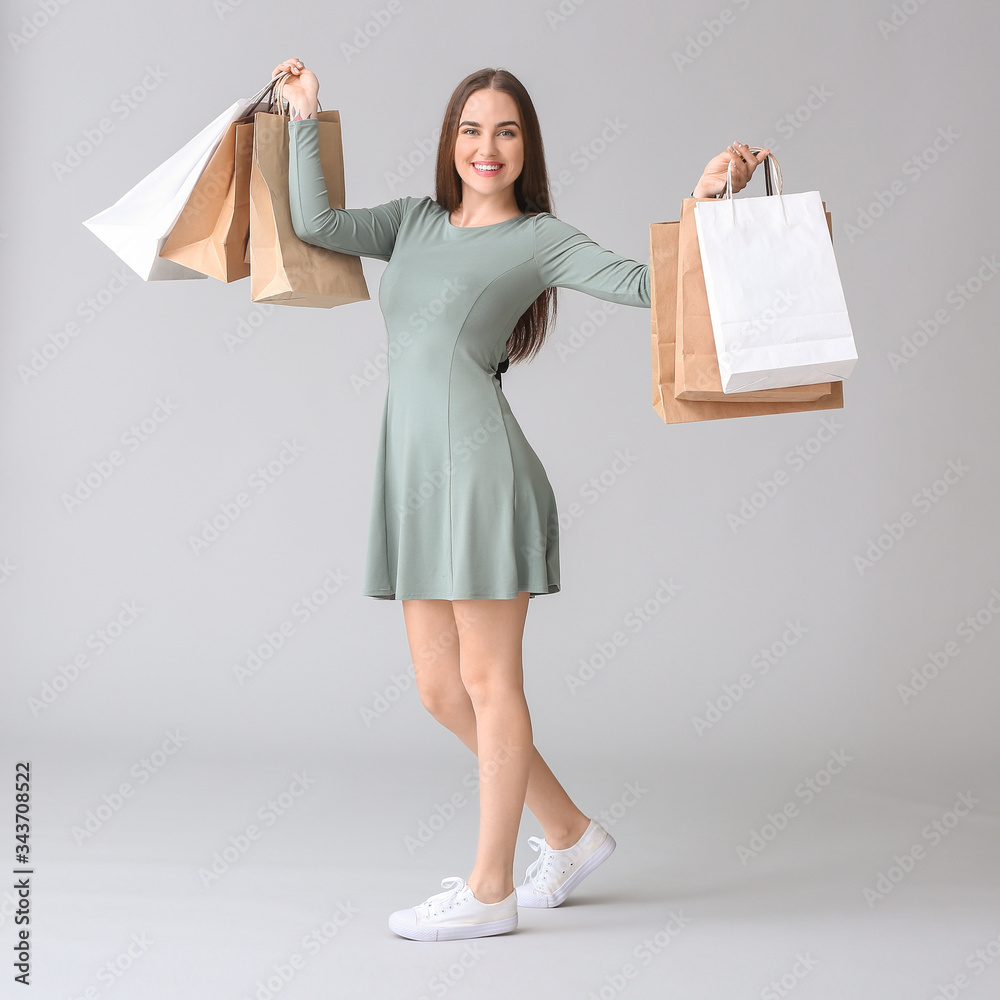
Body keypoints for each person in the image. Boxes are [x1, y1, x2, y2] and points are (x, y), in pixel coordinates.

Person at [271, 56, 768, 942]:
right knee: (438, 689)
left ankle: (490, 888)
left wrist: (708, 199)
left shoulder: (539, 238)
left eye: (505, 131)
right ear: (450, 141)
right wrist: (306, 114)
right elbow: (315, 221)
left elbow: (650, 287)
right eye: (471, 129)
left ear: (526, 146)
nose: (486, 146)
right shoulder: (415, 222)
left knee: (489, 682)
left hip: (483, 478)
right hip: (415, 481)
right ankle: (570, 835)